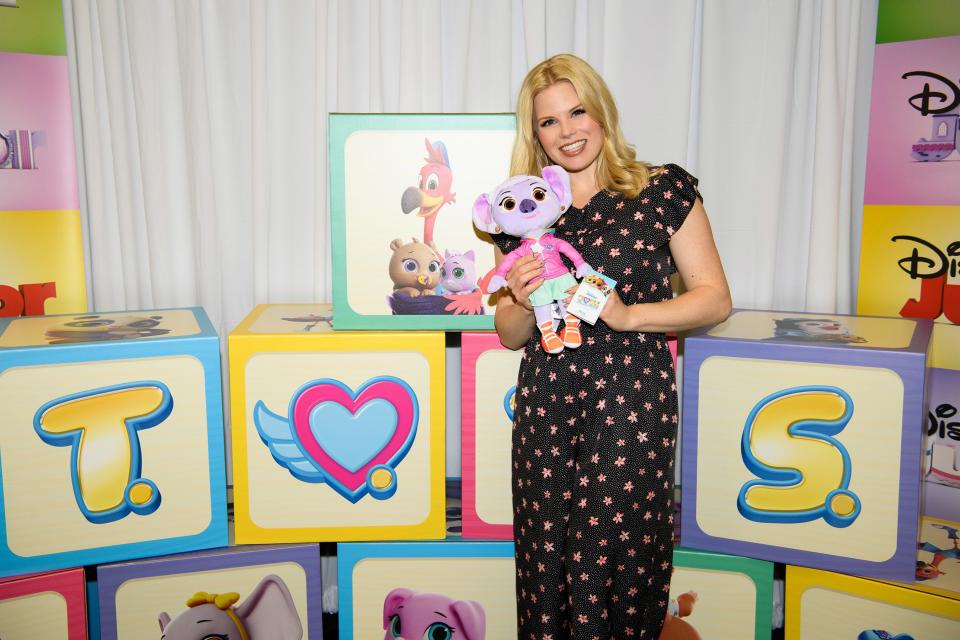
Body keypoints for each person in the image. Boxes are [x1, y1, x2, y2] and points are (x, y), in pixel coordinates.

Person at [491, 53, 731, 639]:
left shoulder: (660, 190)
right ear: (536, 134)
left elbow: (714, 299)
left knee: (616, 559)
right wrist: (519, 299)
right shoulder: (521, 211)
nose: (568, 131)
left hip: (631, 404)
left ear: (601, 113)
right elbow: (508, 335)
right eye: (549, 121)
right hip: (547, 407)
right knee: (548, 559)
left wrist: (627, 316)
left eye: (577, 112)